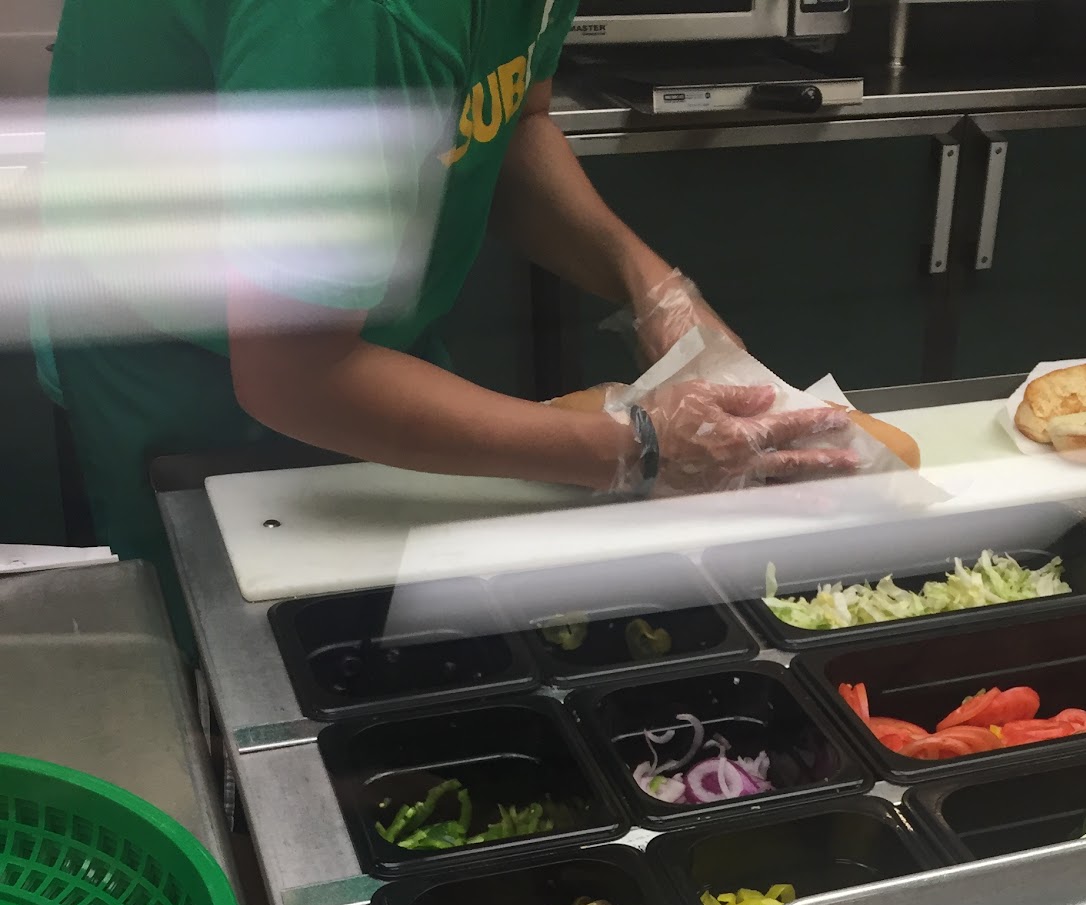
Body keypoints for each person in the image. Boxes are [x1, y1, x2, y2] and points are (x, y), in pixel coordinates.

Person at [41, 0, 854, 632]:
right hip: (188, 371)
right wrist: (636, 450)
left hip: (355, 337)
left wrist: (649, 283)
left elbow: (509, 117)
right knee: (245, 657)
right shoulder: (356, 15)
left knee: (408, 625)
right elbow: (293, 371)